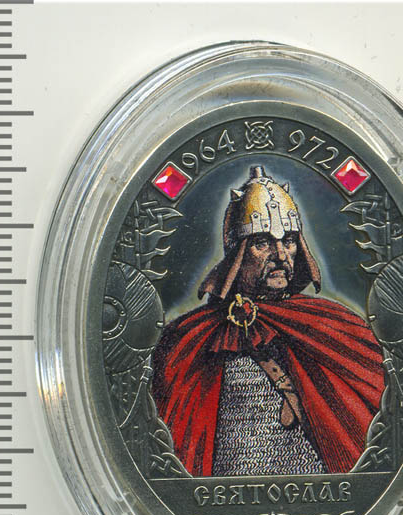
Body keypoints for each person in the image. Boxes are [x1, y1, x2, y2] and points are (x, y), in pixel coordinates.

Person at [151, 166, 385, 477]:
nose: (281, 255)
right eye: (262, 243)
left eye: (288, 241)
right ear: (238, 254)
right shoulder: (188, 339)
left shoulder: (334, 327)